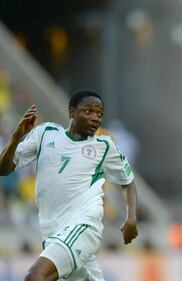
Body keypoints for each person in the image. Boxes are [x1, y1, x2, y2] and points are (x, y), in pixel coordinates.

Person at [0, 90, 139, 281]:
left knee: (35, 277)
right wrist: (16, 137)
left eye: (99, 114)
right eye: (88, 111)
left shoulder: (104, 146)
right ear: (71, 112)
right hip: (52, 233)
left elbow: (128, 181)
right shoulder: (45, 134)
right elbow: (3, 168)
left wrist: (131, 217)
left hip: (83, 225)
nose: (95, 118)